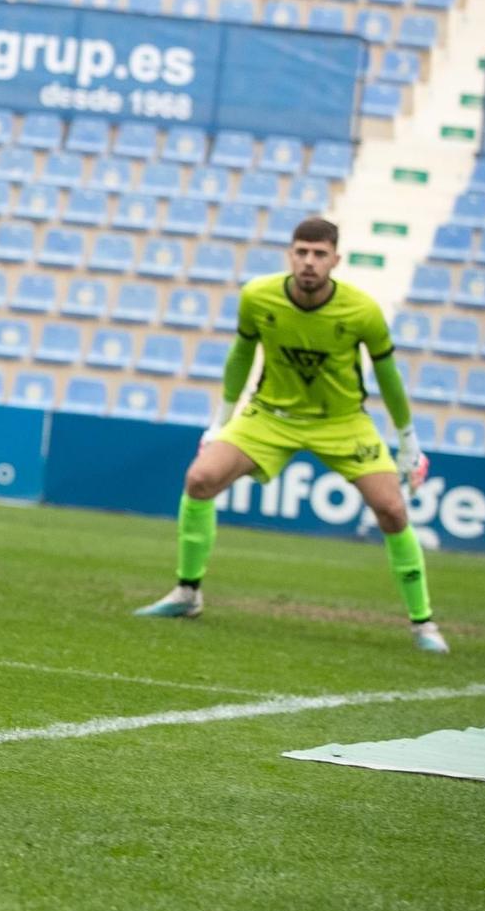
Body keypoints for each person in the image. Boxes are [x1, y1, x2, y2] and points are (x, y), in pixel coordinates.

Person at [134, 216, 445, 653]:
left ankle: (423, 623)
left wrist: (408, 442)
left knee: (391, 509)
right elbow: (240, 355)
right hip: (269, 416)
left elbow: (388, 377)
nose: (309, 262)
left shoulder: (363, 310)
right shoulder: (258, 296)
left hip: (342, 422)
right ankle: (187, 593)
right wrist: (220, 422)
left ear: (336, 259)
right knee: (199, 479)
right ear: (290, 255)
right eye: (301, 252)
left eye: (319, 254)